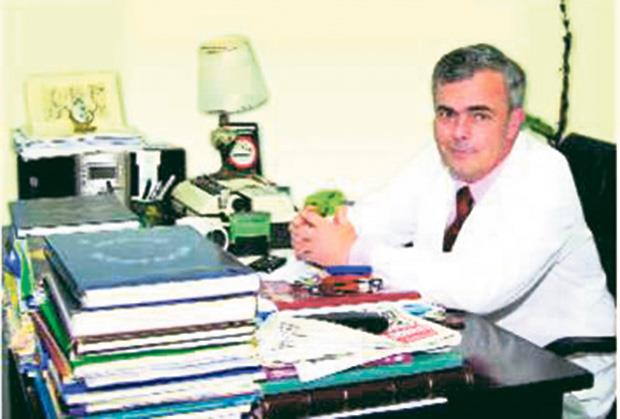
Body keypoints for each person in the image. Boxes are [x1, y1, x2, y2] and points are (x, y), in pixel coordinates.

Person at [290, 44, 615, 418]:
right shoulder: (442, 159)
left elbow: (480, 287)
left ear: (513, 123)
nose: (459, 132)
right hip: (469, 364)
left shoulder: (544, 175)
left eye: (479, 115)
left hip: (556, 384)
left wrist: (353, 252)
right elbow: (373, 219)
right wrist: (320, 234)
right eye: (447, 113)